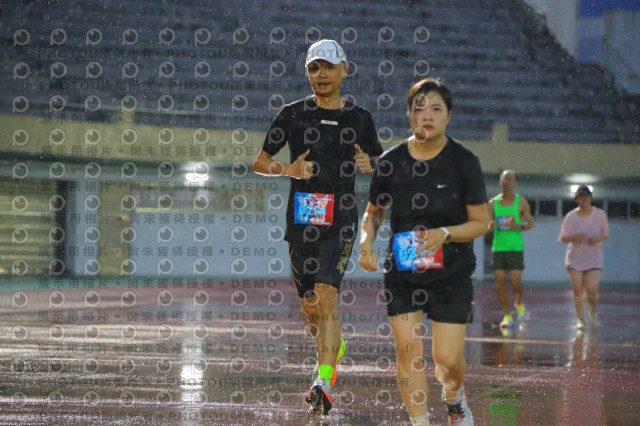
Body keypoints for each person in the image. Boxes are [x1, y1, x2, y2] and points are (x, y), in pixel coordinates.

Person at [252, 39, 383, 415]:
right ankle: (333, 345)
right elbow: (260, 162)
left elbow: (379, 160)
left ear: (345, 69)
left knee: (327, 296)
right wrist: (289, 169)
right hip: (301, 220)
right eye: (314, 67)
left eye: (328, 66)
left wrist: (369, 163)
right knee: (310, 307)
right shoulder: (292, 114)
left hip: (340, 219)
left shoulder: (360, 118)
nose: (321, 74)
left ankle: (324, 380)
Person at [358, 78, 489, 426]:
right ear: (409, 115)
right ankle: (420, 422)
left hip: (453, 273)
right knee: (408, 353)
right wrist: (366, 243)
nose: (427, 115)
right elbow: (373, 213)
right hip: (403, 272)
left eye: (436, 109)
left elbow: (481, 222)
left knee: (447, 361)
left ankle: (454, 396)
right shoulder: (390, 162)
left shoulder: (464, 162)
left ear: (449, 115)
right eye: (419, 109)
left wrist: (445, 233)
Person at [488, 170, 534, 330]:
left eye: (510, 179)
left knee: (515, 284)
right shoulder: (492, 203)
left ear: (515, 183)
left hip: (515, 248)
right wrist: (490, 226)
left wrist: (518, 226)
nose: (507, 182)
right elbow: (486, 225)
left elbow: (530, 224)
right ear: (500, 182)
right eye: (504, 179)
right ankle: (507, 315)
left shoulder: (521, 202)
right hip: (498, 248)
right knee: (500, 285)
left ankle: (519, 304)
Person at [558, 185, 609, 330]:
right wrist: (575, 237)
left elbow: (605, 233)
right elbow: (563, 238)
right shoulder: (571, 217)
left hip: (594, 257)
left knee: (592, 289)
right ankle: (581, 319)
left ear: (590, 198)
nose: (583, 200)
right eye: (580, 198)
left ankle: (592, 312)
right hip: (575, 259)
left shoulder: (599, 214)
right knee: (578, 290)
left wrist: (597, 239)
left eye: (585, 197)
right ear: (576, 200)